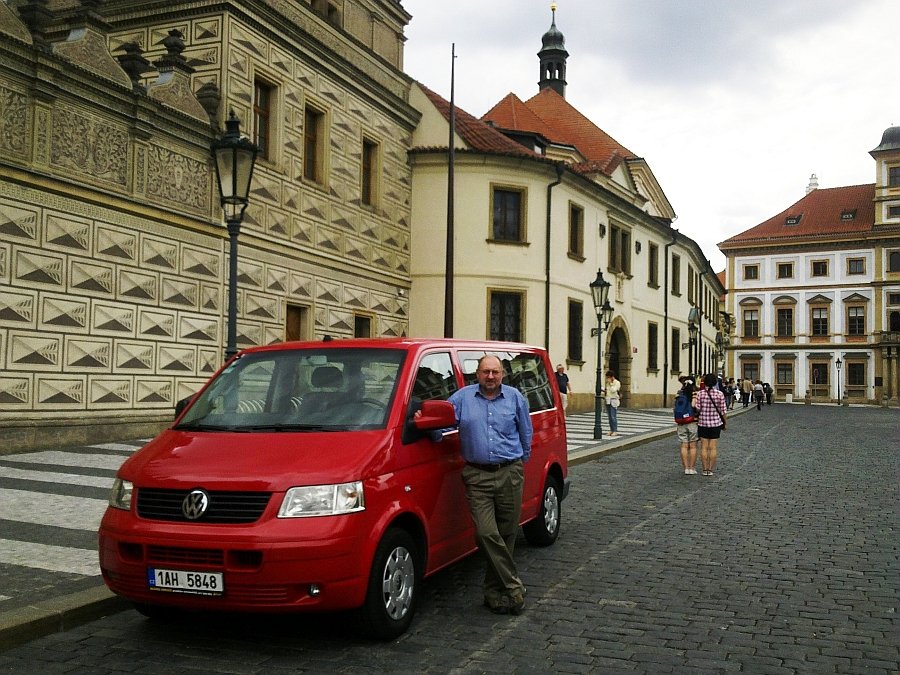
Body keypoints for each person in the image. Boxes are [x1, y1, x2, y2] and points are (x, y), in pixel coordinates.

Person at [447, 354, 532, 616]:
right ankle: (513, 586)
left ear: (503, 374)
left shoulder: (516, 397)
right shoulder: (461, 398)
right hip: (477, 475)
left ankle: (493, 592)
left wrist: (519, 463)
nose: (491, 377)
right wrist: (420, 422)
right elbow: (441, 423)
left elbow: (525, 432)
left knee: (506, 534)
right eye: (486, 372)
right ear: (478, 374)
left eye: (495, 372)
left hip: (509, 472)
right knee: (485, 533)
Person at [696, 373, 727, 476]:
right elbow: (723, 411)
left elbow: (698, 408)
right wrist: (725, 423)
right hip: (715, 423)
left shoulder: (700, 394)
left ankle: (704, 469)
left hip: (703, 423)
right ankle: (710, 470)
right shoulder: (719, 394)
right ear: (715, 382)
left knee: (704, 447)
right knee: (713, 448)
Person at [673, 378, 698, 475]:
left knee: (683, 445)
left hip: (681, 422)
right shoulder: (694, 393)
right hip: (692, 422)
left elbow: (675, 407)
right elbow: (694, 406)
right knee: (692, 446)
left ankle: (686, 468)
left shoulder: (679, 394)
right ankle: (692, 468)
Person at [602, 370, 621, 437]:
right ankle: (611, 430)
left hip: (614, 401)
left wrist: (610, 384)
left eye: (608, 377)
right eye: (607, 377)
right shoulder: (607, 383)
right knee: (609, 417)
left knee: (613, 416)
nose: (607, 379)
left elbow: (613, 390)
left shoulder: (617, 383)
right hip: (608, 400)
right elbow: (608, 391)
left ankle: (615, 430)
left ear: (612, 377)